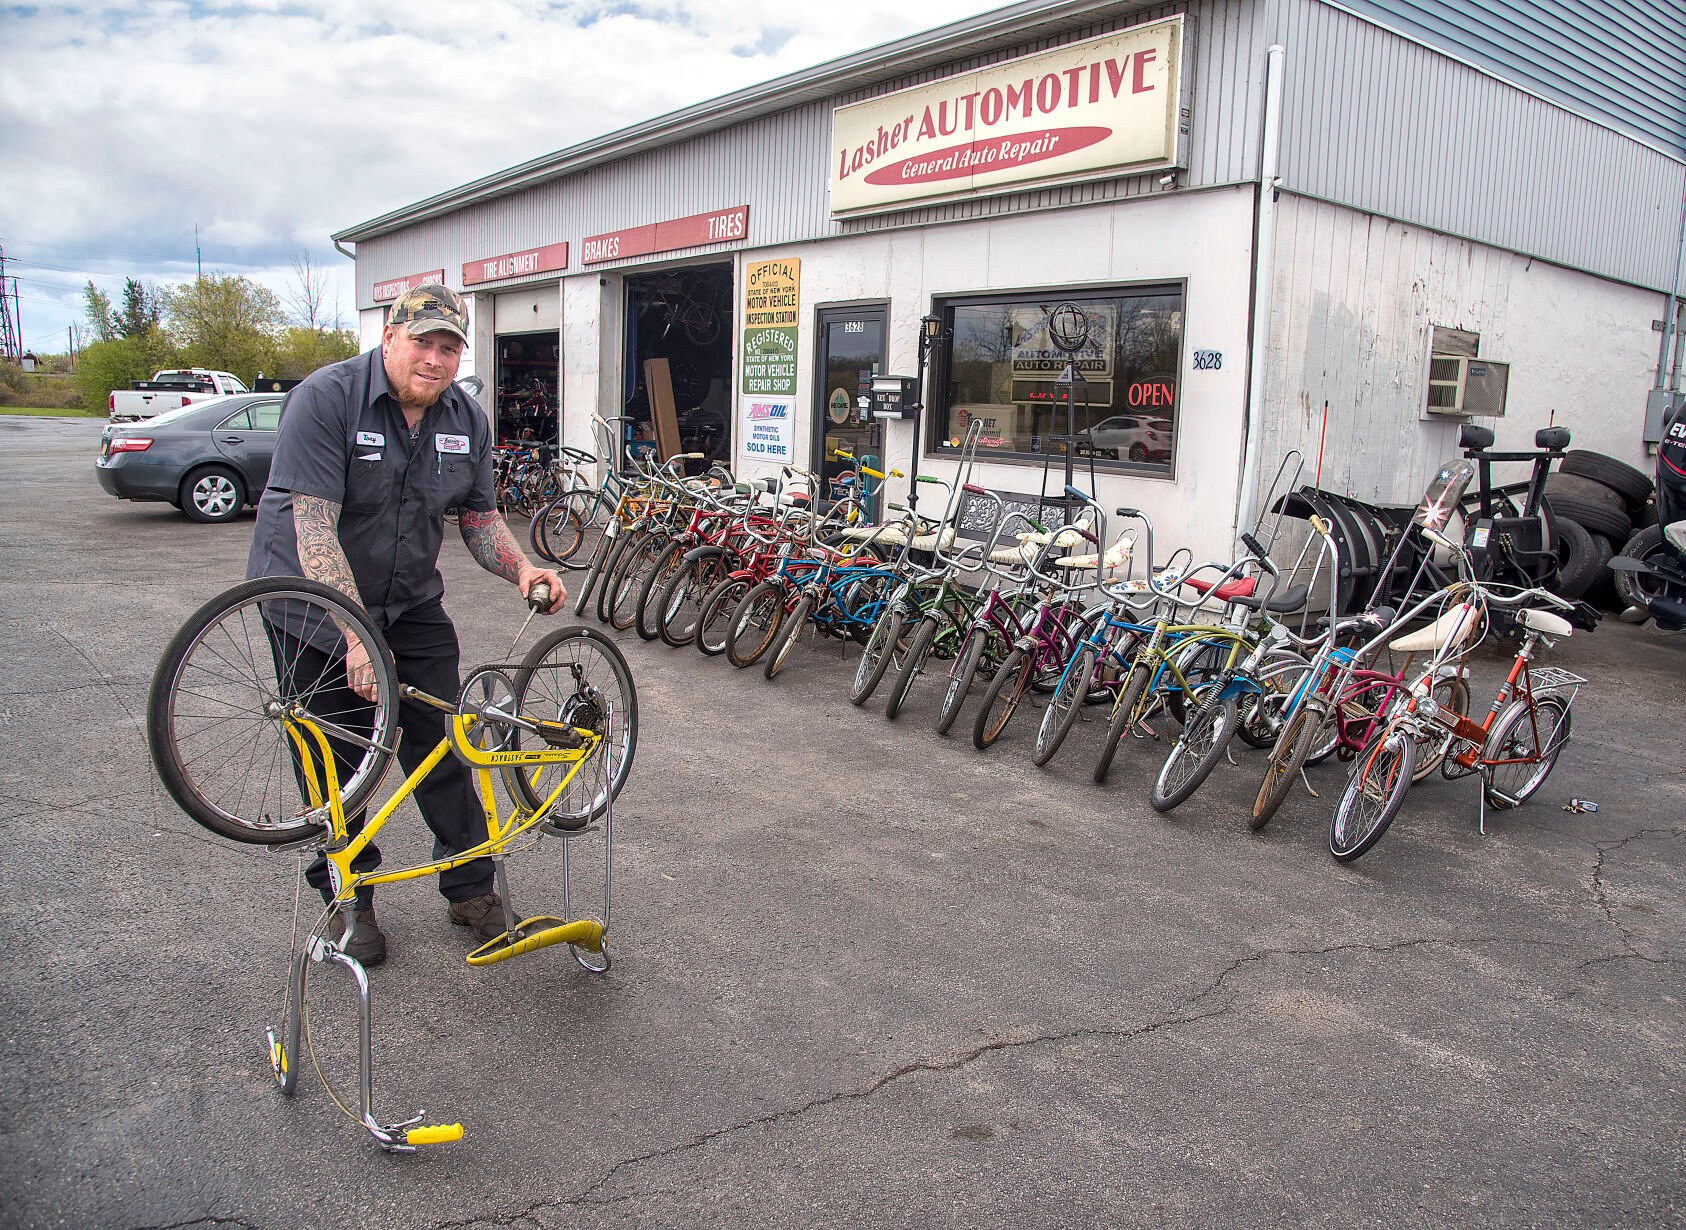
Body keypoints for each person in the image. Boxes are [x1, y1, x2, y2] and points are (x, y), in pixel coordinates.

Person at [247, 283, 565, 965]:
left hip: (411, 600)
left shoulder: (465, 419)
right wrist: (355, 635)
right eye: (424, 341)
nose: (437, 358)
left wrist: (523, 569)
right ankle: (348, 901)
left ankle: (472, 891)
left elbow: (477, 518)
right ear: (389, 337)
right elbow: (314, 529)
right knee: (336, 762)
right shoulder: (327, 400)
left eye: (450, 346)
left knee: (441, 742)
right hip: (312, 606)